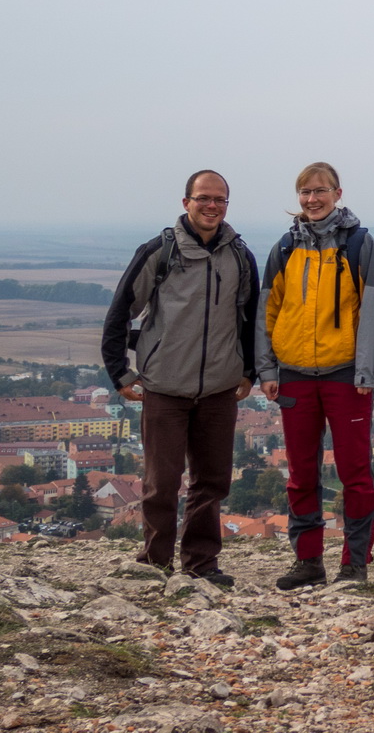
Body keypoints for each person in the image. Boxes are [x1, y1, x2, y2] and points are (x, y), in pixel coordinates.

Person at [101, 170, 258, 587]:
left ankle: (201, 564)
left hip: (220, 389)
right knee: (162, 482)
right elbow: (120, 312)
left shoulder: (240, 256)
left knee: (212, 482)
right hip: (165, 387)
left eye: (220, 199)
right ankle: (155, 562)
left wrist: (248, 371)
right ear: (186, 202)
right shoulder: (160, 252)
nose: (212, 206)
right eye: (203, 198)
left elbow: (249, 319)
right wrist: (119, 372)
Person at [256, 162, 374, 589]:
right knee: (300, 476)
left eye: (320, 191)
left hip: (346, 377)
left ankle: (354, 564)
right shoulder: (284, 248)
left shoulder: (360, 244)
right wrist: (266, 368)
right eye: (305, 192)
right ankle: (308, 562)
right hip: (293, 376)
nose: (312, 199)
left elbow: (373, 310)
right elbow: (267, 311)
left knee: (354, 474)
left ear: (337, 193)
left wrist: (366, 372)